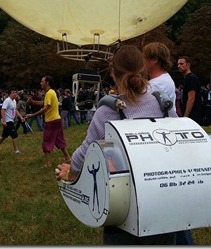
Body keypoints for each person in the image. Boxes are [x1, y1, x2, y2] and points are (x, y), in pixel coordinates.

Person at [56, 45, 178, 245]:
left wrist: (70, 173)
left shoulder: (108, 111)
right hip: (164, 203)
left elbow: (83, 156)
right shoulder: (162, 104)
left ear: (113, 74)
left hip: (124, 206)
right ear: (143, 69)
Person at [143, 42, 194, 245]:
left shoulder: (158, 84)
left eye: (144, 57)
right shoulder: (160, 80)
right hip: (161, 142)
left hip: (160, 143)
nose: (142, 62)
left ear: (154, 59)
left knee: (170, 201)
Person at [27, 76, 71, 167]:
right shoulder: (51, 92)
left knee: (46, 141)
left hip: (51, 121)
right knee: (59, 140)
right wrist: (33, 102)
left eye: (42, 81)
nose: (40, 83)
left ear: (47, 83)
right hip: (57, 120)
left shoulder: (49, 93)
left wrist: (33, 115)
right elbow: (44, 103)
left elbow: (45, 108)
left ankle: (48, 163)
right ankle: (67, 157)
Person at [0, 89, 23, 155]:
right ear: (9, 94)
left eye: (15, 92)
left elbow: (15, 110)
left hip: (11, 120)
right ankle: (17, 151)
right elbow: (3, 110)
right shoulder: (7, 100)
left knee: (4, 136)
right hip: (8, 121)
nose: (14, 94)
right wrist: (4, 121)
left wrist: (21, 117)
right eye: (13, 93)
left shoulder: (14, 101)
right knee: (14, 135)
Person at [177, 56, 202, 124]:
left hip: (193, 115)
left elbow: (191, 98)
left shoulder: (191, 78)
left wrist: (185, 117)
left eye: (181, 64)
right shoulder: (187, 79)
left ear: (188, 65)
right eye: (178, 64)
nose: (179, 66)